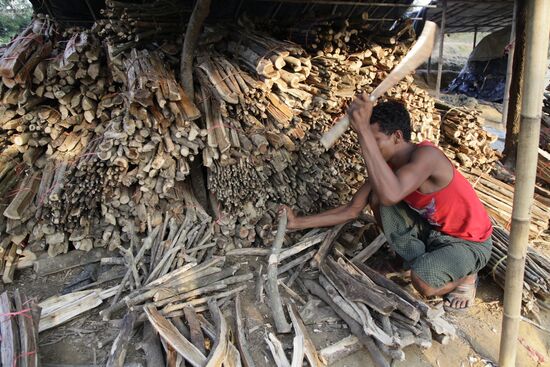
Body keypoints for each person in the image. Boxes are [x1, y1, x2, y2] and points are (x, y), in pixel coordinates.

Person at [281, 95, 493, 312]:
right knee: (376, 197)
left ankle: (467, 277)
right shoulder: (388, 167)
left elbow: (391, 194)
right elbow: (352, 209)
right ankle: (408, 260)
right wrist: (296, 222)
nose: (369, 147)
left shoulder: (427, 156)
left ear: (397, 136)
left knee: (424, 283)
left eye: (375, 140)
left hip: (468, 242)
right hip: (433, 232)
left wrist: (363, 130)